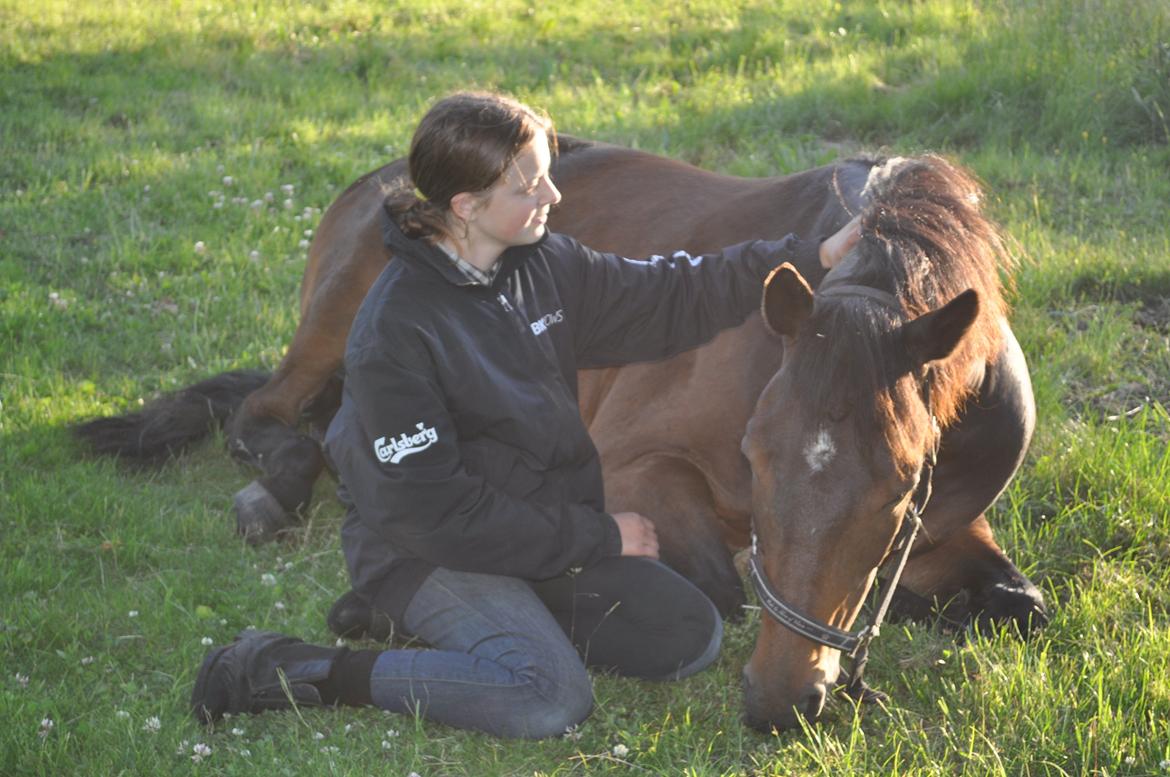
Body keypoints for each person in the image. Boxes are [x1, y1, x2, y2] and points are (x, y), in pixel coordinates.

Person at [191, 91, 861, 739]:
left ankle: (460, 628)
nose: (554, 196)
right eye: (531, 186)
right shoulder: (394, 331)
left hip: (532, 528)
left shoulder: (543, 263)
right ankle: (294, 667)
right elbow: (439, 514)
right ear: (467, 206)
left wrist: (810, 257)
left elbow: (671, 291)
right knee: (548, 696)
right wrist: (597, 537)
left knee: (687, 635)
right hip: (427, 547)